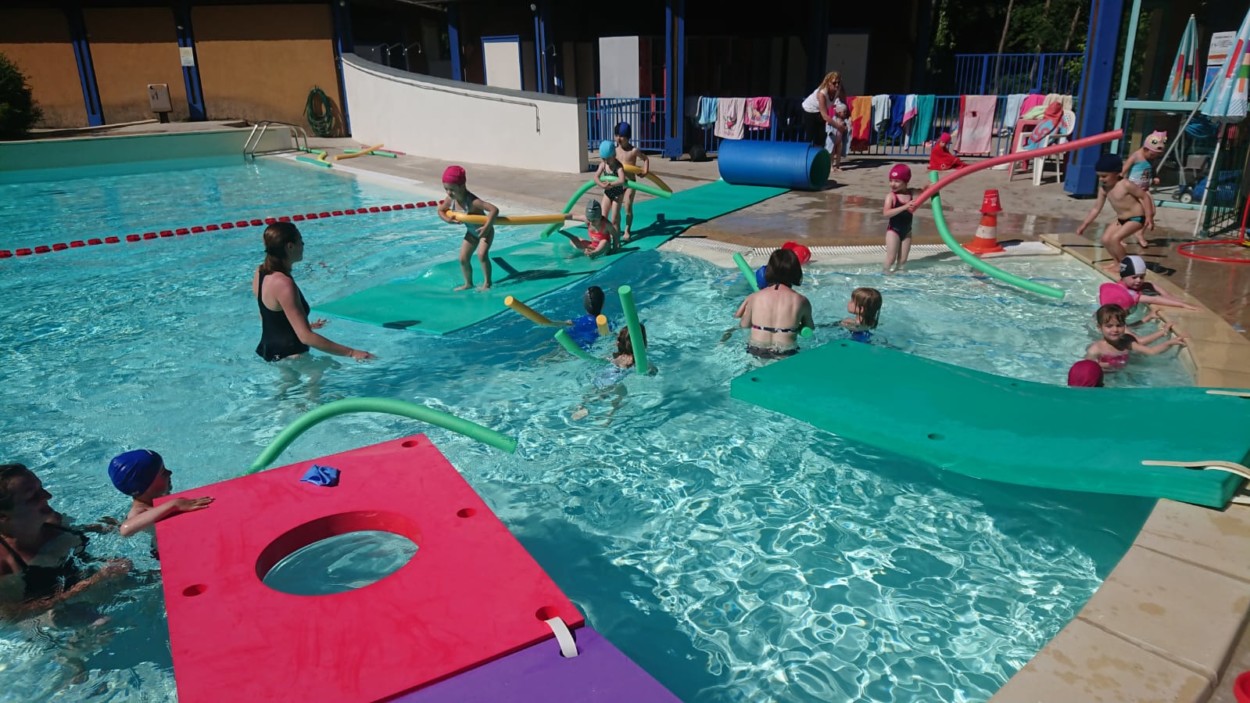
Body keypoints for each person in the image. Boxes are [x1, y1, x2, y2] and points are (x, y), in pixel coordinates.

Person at [0, 463, 130, 615]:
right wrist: (94, 580)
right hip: (51, 615)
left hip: (88, 580)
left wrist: (117, 527)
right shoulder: (5, 563)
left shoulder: (52, 520)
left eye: (40, 487)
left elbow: (82, 528)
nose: (48, 496)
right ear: (3, 516)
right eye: (33, 496)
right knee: (100, 625)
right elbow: (13, 616)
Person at [253, 223, 375, 362]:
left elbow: (267, 316)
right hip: (292, 355)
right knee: (332, 367)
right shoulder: (284, 284)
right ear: (290, 246)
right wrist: (352, 352)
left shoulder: (261, 272)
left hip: (270, 350)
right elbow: (306, 337)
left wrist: (301, 325)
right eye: (301, 241)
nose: (303, 245)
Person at [108, 450, 212, 559]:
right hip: (161, 552)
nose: (169, 472)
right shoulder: (140, 510)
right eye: (163, 472)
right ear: (146, 486)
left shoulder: (157, 496)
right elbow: (125, 529)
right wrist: (174, 504)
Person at [1075, 154, 1155, 274]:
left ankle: (1125, 266)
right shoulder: (1104, 189)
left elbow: (1144, 196)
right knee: (1105, 239)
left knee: (1115, 239)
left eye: (1104, 176)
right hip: (1121, 220)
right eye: (1099, 177)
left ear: (1117, 173)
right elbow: (1096, 209)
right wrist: (1084, 225)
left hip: (1136, 218)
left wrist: (1149, 217)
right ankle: (1117, 263)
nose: (1101, 179)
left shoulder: (1125, 185)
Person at [735, 248, 814, 360]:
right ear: (796, 272)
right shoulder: (801, 301)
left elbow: (744, 325)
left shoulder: (754, 297)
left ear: (769, 270)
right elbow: (809, 327)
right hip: (787, 353)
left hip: (756, 351)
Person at [437, 165, 500, 291]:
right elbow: (440, 210)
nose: (449, 193)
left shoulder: (473, 201)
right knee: (463, 259)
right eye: (446, 189)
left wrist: (487, 227)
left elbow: (494, 210)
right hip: (471, 233)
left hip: (484, 232)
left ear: (462, 186)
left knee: (482, 255)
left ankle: (487, 284)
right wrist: (447, 219)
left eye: (452, 189)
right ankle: (468, 284)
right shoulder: (450, 200)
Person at [571, 325, 651, 422]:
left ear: (619, 343)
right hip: (614, 382)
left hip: (603, 375)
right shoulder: (635, 359)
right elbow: (648, 370)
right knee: (620, 394)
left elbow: (606, 360)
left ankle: (581, 406)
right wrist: (652, 370)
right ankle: (609, 415)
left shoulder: (616, 355)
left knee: (595, 391)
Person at [1085, 303, 1186, 371]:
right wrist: (1105, 365)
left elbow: (1151, 351)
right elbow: (1087, 369)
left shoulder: (1126, 342)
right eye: (1109, 326)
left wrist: (1170, 343)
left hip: (1124, 374)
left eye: (1119, 325)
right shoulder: (1096, 350)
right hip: (1105, 379)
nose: (1115, 330)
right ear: (1100, 328)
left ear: (1125, 325)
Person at [1098, 255, 1198, 313]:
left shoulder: (1122, 284)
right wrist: (1182, 305)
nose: (1138, 280)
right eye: (1134, 277)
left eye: (1142, 277)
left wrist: (1167, 295)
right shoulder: (1129, 295)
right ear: (1123, 276)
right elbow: (1154, 299)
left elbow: (1150, 285)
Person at [1120, 131, 1167, 249]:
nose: (1154, 157)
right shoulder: (1136, 156)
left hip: (1144, 189)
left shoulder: (1151, 159)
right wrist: (1119, 183)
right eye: (1152, 155)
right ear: (1146, 149)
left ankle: (1139, 233)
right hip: (1133, 189)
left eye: (1156, 155)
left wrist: (1155, 176)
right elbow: (1123, 170)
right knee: (1131, 214)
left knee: (1151, 212)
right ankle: (1119, 236)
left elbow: (1152, 168)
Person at [801, 72, 848, 169]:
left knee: (821, 137)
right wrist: (838, 126)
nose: (837, 85)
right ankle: (804, 160)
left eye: (838, 82)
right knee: (810, 135)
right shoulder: (822, 94)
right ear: (828, 83)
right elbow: (825, 116)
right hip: (809, 110)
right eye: (834, 83)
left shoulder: (838, 90)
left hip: (820, 111)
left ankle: (817, 160)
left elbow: (844, 100)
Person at [613, 122, 649, 240]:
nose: (618, 138)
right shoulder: (615, 151)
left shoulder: (633, 151)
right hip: (618, 182)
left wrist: (645, 170)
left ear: (628, 137)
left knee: (627, 206)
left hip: (630, 183)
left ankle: (627, 230)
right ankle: (617, 228)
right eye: (617, 135)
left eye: (621, 136)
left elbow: (645, 159)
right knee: (616, 208)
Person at [882, 164, 915, 273]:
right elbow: (886, 213)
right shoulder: (891, 196)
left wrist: (931, 185)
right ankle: (885, 275)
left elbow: (926, 191)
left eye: (897, 181)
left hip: (907, 231)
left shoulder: (911, 193)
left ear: (906, 181)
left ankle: (898, 279)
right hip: (893, 231)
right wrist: (905, 207)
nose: (893, 184)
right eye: (891, 180)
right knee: (891, 259)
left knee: (903, 260)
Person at [594, 141, 628, 232]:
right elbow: (596, 177)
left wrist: (610, 184)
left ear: (614, 155)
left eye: (608, 159)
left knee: (614, 220)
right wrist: (602, 185)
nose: (606, 161)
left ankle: (616, 240)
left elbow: (622, 180)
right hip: (608, 193)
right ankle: (605, 237)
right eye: (603, 159)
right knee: (603, 217)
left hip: (618, 194)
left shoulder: (618, 166)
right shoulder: (603, 165)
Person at [565, 285, 607, 349]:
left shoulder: (578, 320)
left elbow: (568, 323)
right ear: (603, 304)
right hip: (590, 347)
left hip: (570, 342)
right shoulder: (607, 324)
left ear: (585, 305)